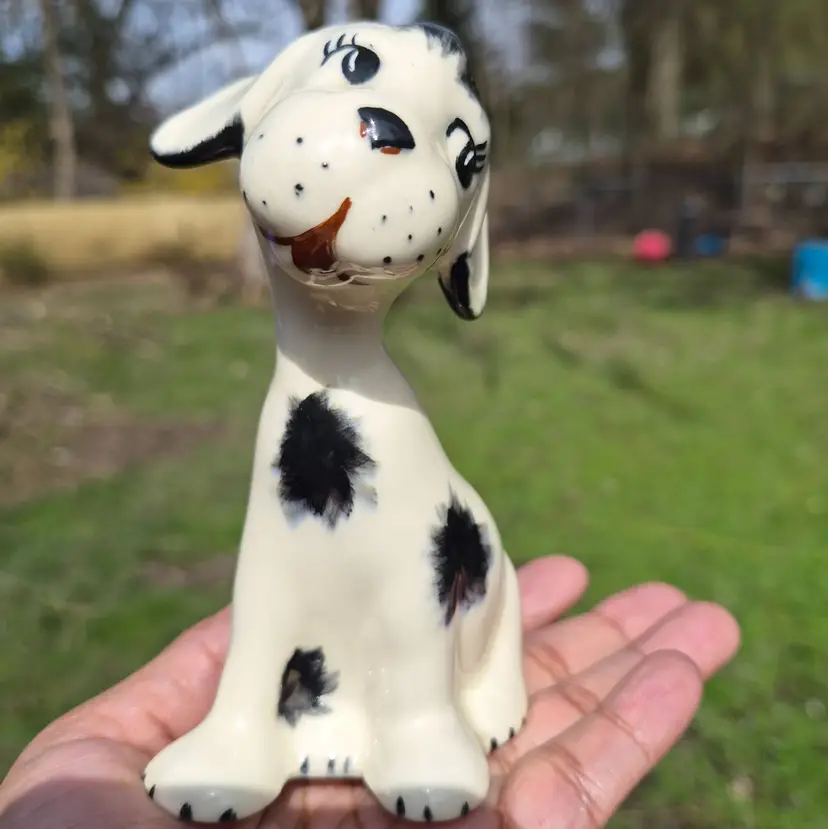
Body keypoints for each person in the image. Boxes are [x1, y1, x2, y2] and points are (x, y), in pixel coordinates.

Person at [0, 555, 739, 829]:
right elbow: (274, 580)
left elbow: (425, 574)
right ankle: (251, 726)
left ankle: (426, 718)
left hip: (463, 644)